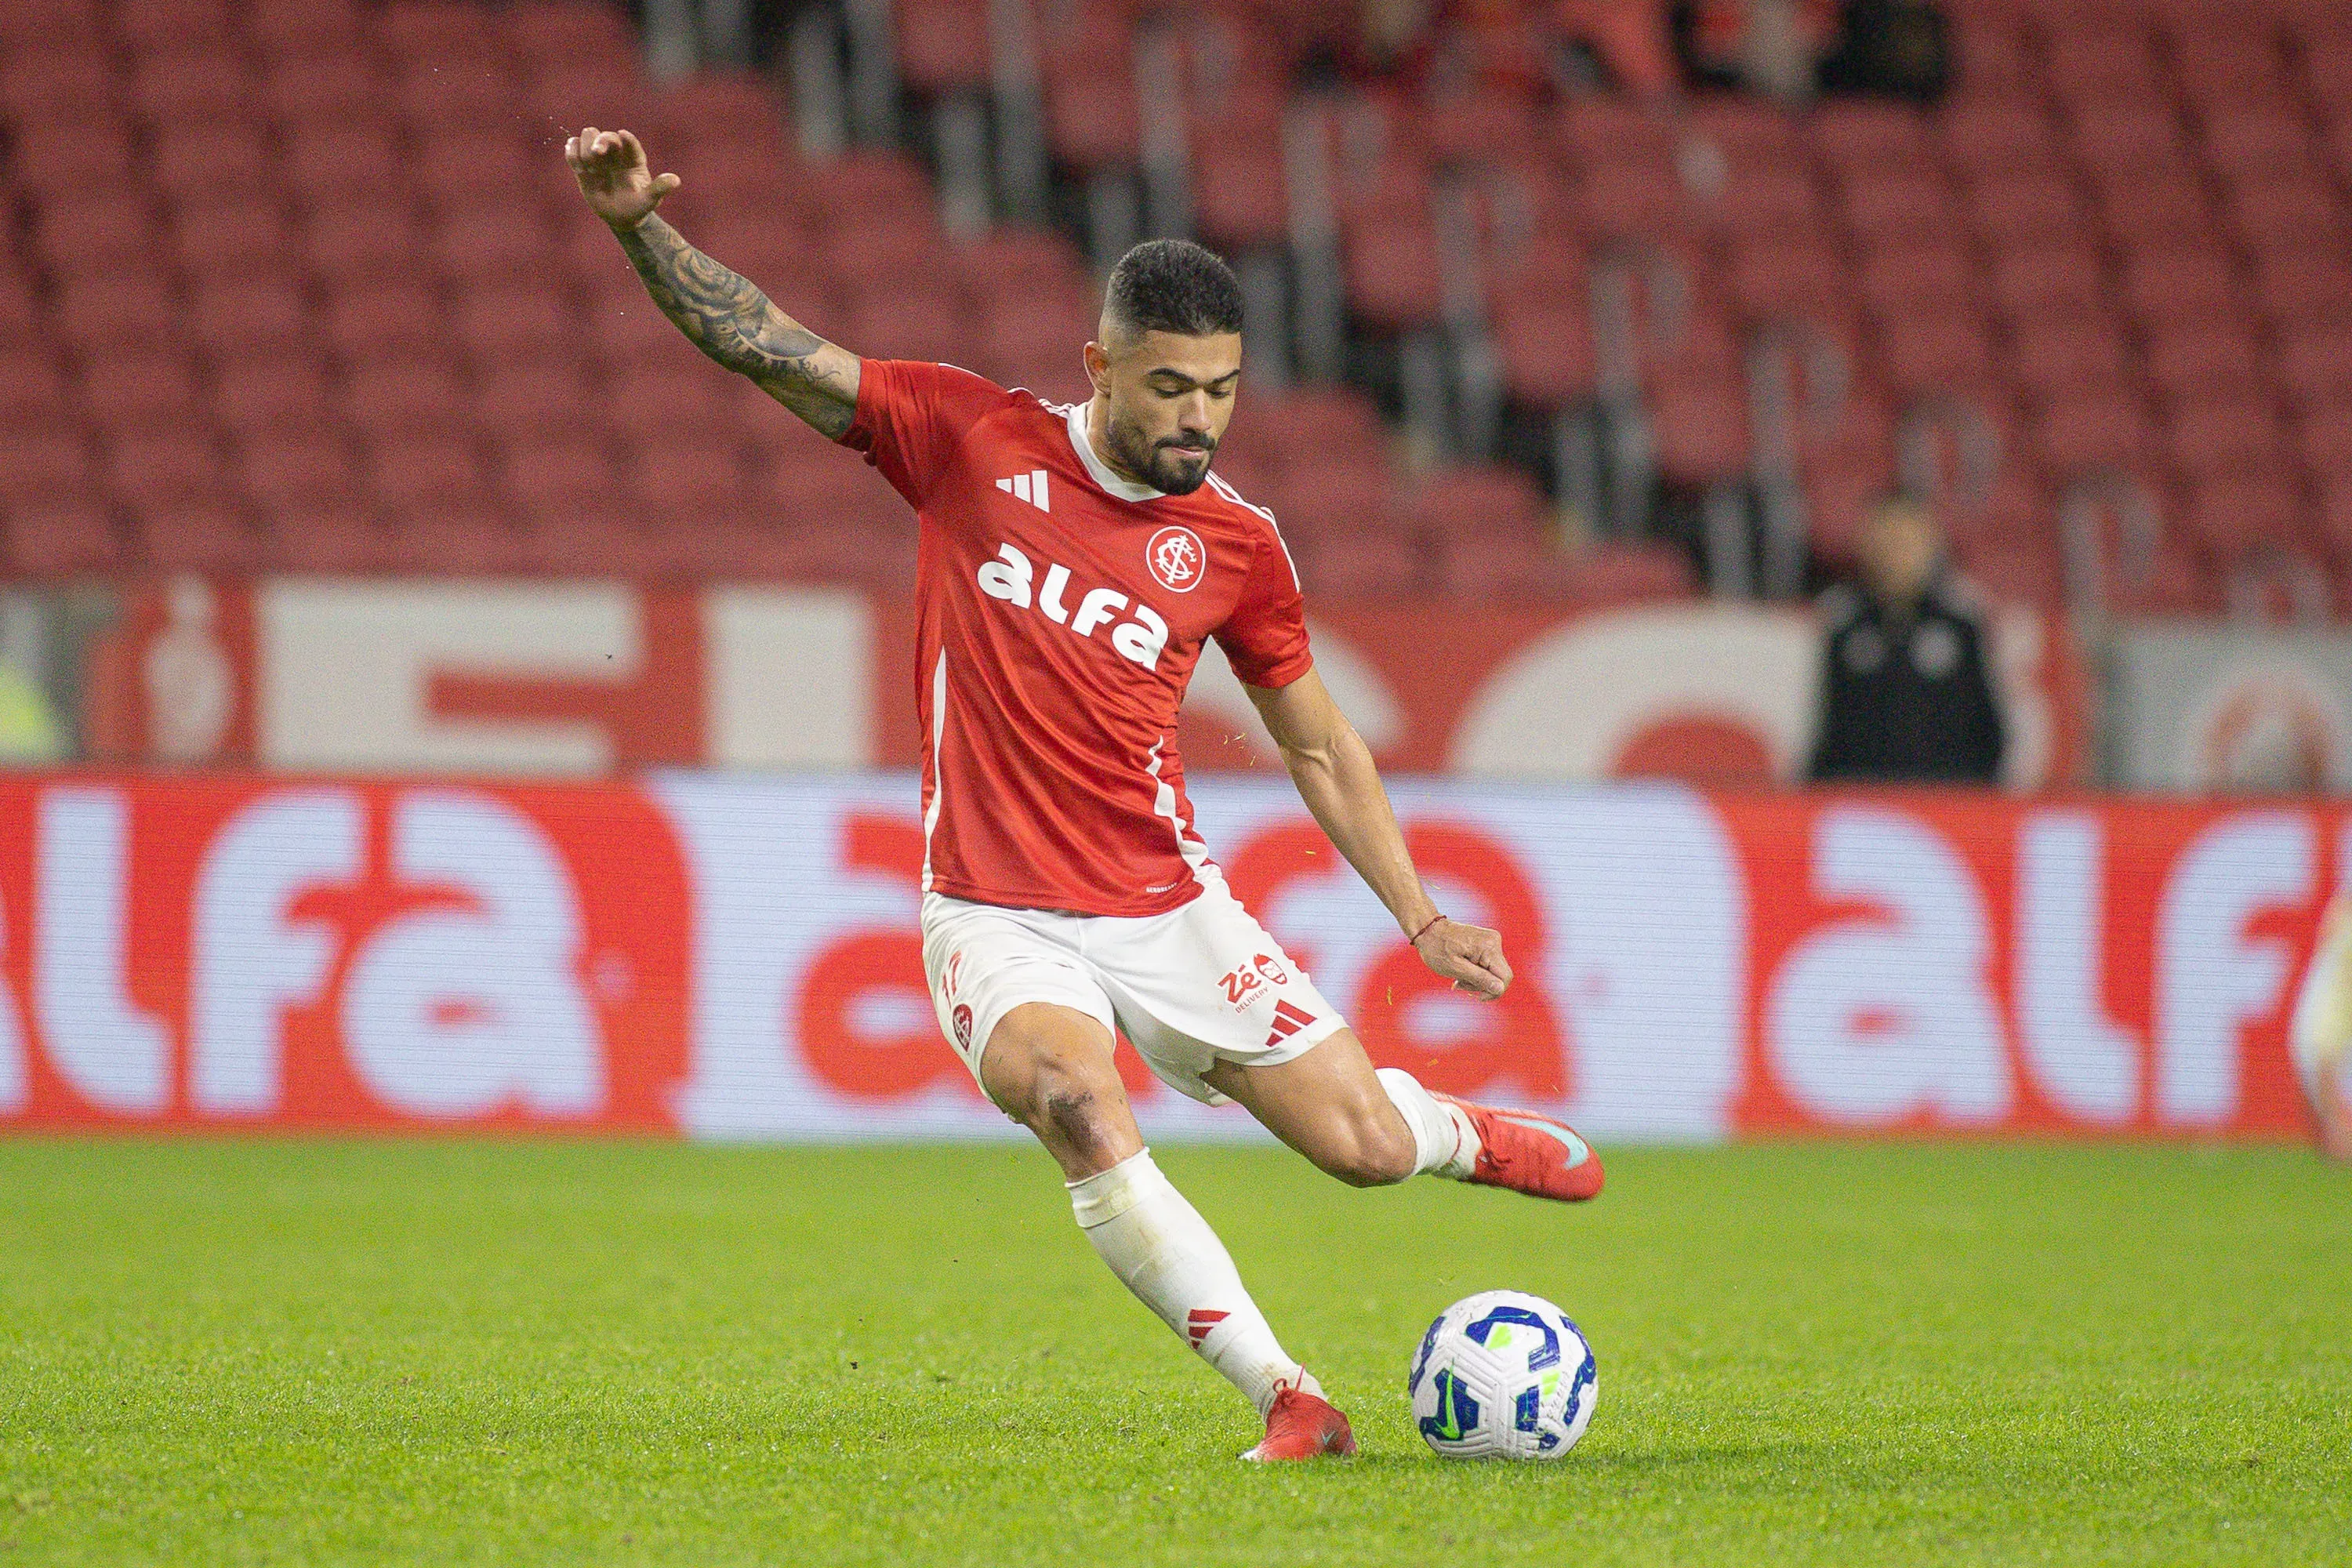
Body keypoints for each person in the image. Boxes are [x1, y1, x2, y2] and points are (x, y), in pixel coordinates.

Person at [566, 126, 1604, 1461]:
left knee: (1358, 1148)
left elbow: (1319, 745)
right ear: (1097, 367)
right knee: (1072, 1096)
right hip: (993, 910)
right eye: (1170, 387)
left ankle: (1455, 1134)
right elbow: (765, 342)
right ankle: (1287, 1393)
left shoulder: (1235, 543)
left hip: (1165, 903)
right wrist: (638, 230)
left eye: (1222, 393)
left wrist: (1419, 917)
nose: (1197, 420)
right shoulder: (965, 438)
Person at [1806, 492, 2006, 786]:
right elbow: (1828, 727)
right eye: (1887, 542)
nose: (1897, 555)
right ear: (1867, 547)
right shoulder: (1843, 623)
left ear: (1932, 547)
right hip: (1863, 803)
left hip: (1947, 801)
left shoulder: (1960, 623)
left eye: (1908, 543)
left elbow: (1987, 729)